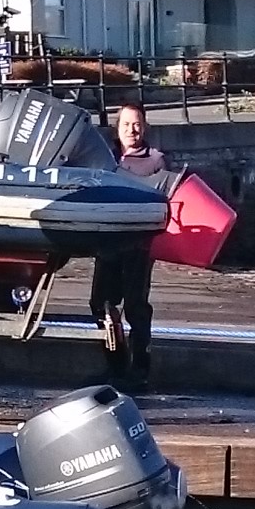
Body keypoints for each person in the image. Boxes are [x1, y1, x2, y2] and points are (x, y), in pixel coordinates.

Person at [91, 103, 168, 390]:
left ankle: (140, 369)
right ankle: (115, 366)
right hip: (107, 243)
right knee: (101, 305)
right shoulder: (105, 157)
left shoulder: (156, 160)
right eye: (125, 124)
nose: (131, 130)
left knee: (136, 307)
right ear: (117, 127)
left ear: (144, 127)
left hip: (138, 247)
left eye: (136, 124)